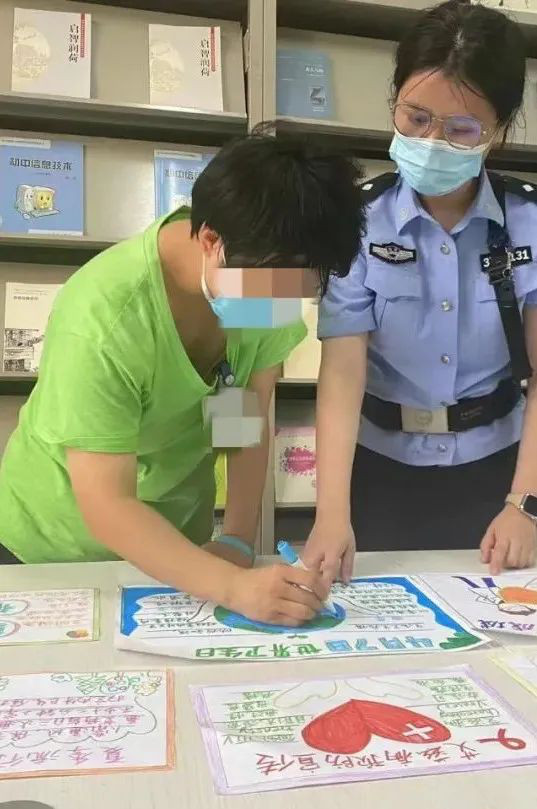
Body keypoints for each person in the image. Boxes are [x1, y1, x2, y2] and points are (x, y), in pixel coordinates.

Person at [0, 131, 366, 627]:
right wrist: (233, 586)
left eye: (300, 286)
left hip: (178, 548)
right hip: (56, 551)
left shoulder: (262, 287)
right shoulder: (104, 318)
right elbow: (107, 503)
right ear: (211, 241)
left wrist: (236, 540)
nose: (280, 304)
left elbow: (240, 419)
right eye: (272, 285)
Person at [305, 0, 537, 582]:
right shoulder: (358, 219)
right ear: (395, 103)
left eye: (461, 129)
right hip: (380, 467)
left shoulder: (528, 222)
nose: (432, 141)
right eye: (416, 118)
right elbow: (342, 374)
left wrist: (525, 505)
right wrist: (331, 514)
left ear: (498, 131)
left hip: (500, 473)